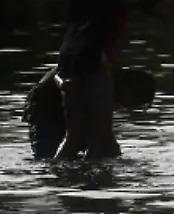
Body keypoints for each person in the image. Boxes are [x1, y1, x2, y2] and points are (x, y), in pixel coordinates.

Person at [54, 0, 166, 160]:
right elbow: (157, 8)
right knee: (101, 138)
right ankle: (96, 188)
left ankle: (58, 180)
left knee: (72, 138)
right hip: (97, 59)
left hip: (69, 56)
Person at [25, 66, 157, 160]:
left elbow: (102, 132)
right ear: (128, 87)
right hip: (46, 109)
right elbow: (61, 73)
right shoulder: (103, 78)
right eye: (134, 101)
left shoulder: (108, 87)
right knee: (46, 160)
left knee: (104, 152)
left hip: (71, 113)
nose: (129, 107)